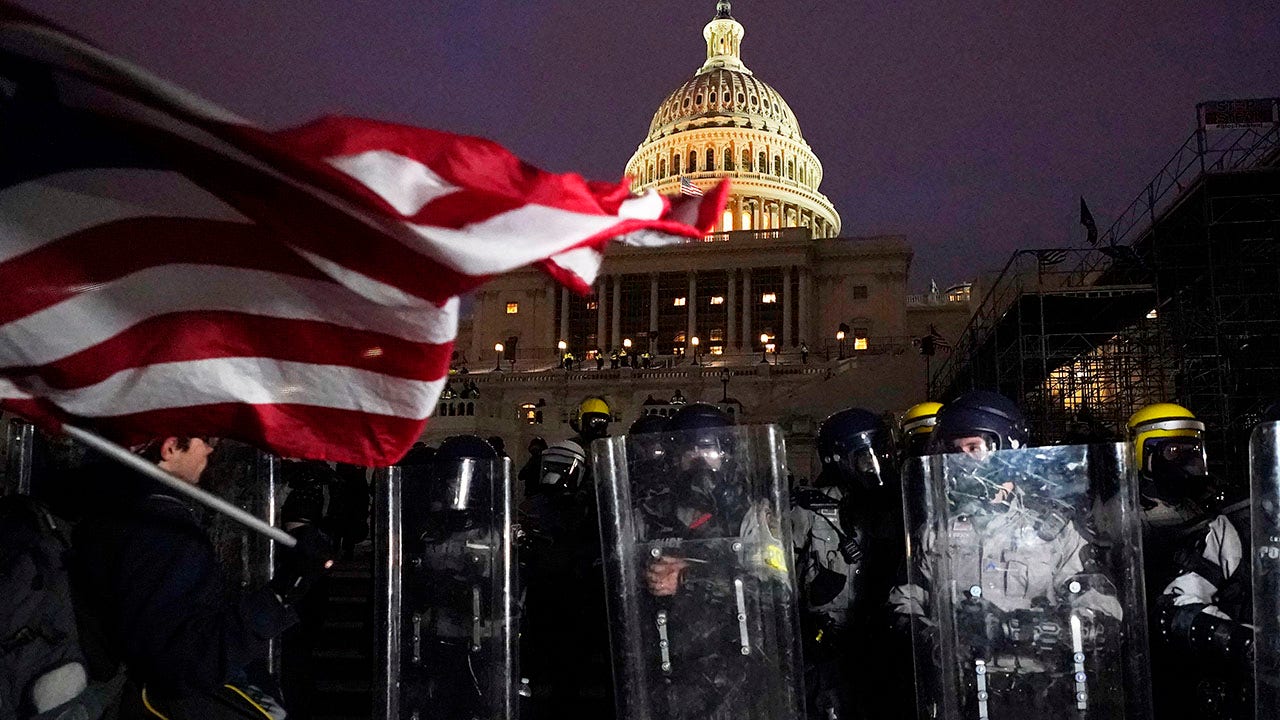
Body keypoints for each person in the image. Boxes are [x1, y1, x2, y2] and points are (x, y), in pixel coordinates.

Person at [891, 392, 1125, 719]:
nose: (962, 463)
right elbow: (907, 599)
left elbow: (1106, 620)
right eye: (954, 452)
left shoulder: (1054, 532)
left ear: (1006, 450)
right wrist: (928, 635)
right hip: (958, 697)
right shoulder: (935, 532)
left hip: (1041, 696)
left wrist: (1012, 629)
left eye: (973, 449)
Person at [72, 437, 334, 719]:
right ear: (170, 447)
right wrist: (281, 593)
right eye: (204, 439)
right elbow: (188, 660)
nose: (210, 449)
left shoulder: (110, 510)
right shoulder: (165, 530)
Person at [626, 404, 801, 720]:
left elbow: (776, 590)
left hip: (739, 679)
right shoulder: (647, 516)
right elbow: (619, 594)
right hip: (665, 676)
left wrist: (688, 579)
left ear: (727, 453)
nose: (697, 457)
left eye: (707, 447)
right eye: (687, 448)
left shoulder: (752, 514)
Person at [1129, 403, 1252, 720]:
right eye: (1174, 451)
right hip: (1143, 648)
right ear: (1145, 452)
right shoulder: (1118, 514)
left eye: (1193, 449)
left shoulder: (1212, 515)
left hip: (1196, 652)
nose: (1187, 460)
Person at [791, 408, 905, 719]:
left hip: (890, 636)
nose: (875, 464)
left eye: (879, 453)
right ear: (839, 461)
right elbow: (781, 572)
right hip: (834, 642)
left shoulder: (904, 503)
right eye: (863, 457)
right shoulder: (811, 510)